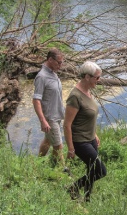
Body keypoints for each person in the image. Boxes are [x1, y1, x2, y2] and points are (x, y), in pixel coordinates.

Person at [64, 61, 107, 201]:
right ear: (87, 77)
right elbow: (67, 124)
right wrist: (71, 148)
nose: (99, 80)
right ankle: (74, 187)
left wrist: (94, 134)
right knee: (100, 171)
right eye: (97, 77)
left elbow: (87, 116)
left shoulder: (88, 92)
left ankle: (87, 199)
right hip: (80, 141)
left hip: (90, 139)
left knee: (92, 170)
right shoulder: (75, 96)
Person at [32, 48, 66, 168]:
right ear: (50, 59)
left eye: (62, 62)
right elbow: (36, 100)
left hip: (57, 115)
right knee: (58, 146)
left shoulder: (53, 73)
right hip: (50, 118)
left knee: (47, 140)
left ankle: (37, 165)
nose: (60, 65)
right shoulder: (42, 77)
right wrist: (43, 120)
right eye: (59, 62)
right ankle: (63, 171)